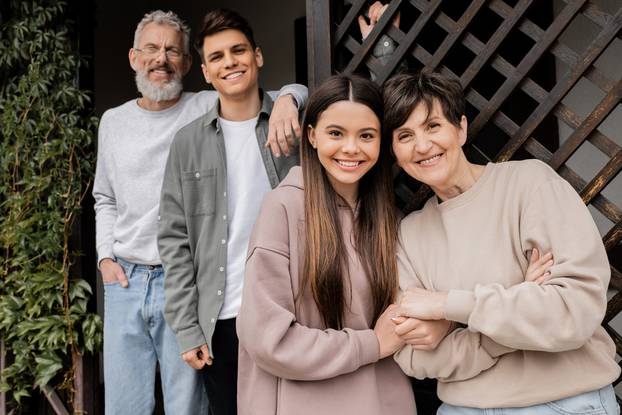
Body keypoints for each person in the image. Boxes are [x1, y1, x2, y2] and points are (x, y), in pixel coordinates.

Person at [93, 9, 306, 415]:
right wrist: (105, 257)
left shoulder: (209, 102)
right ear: (133, 57)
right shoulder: (114, 122)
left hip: (194, 284)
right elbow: (104, 196)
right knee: (123, 405)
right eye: (152, 49)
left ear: (191, 66)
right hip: (128, 279)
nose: (162, 59)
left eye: (173, 51)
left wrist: (290, 99)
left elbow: (275, 89)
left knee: (188, 405)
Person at [384, 70, 620, 414]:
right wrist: (516, 303)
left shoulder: (529, 184)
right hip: (462, 407)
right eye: (405, 135)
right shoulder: (409, 235)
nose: (422, 146)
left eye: (433, 126)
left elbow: (572, 312)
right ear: (394, 150)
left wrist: (446, 306)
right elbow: (415, 357)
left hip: (562, 402)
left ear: (461, 128)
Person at [236, 74, 429, 415]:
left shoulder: (389, 220)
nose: (351, 148)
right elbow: (269, 339)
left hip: (383, 402)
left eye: (366, 136)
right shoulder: (282, 209)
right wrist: (371, 343)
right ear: (311, 136)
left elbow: (424, 304)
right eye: (336, 133)